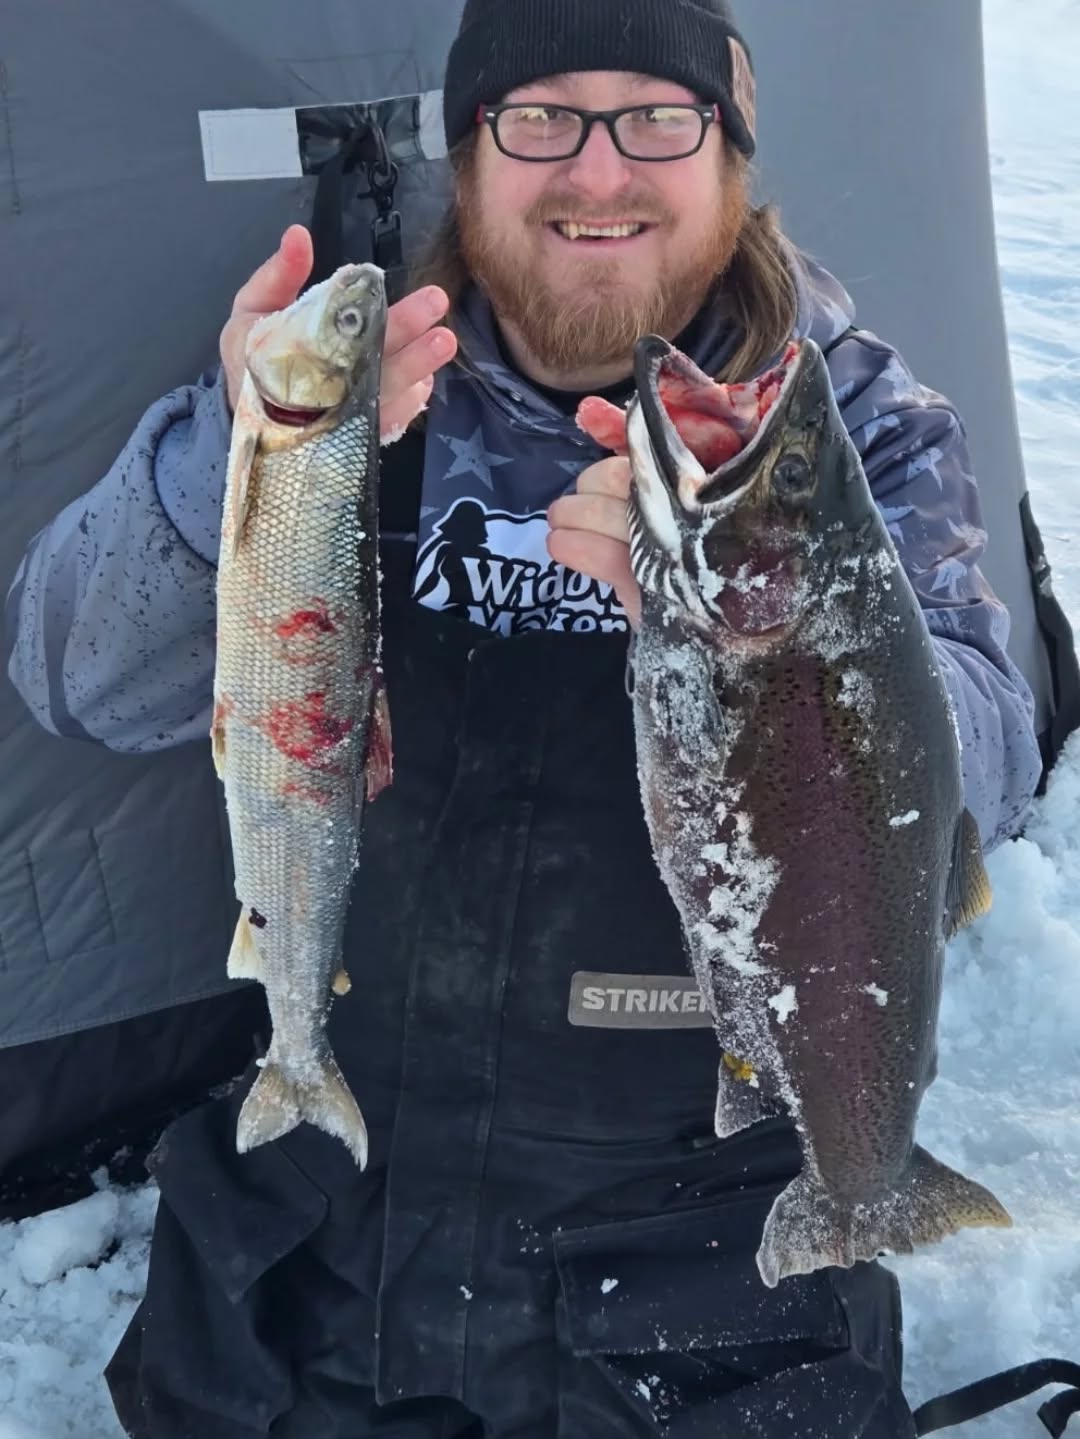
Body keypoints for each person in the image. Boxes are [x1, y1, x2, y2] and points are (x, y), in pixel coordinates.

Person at [6, 1, 1043, 1434]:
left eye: (658, 121)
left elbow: (976, 771)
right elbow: (75, 676)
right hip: (318, 1253)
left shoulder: (851, 429)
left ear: (730, 156)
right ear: (469, 155)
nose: (598, 173)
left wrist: (776, 633)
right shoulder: (353, 386)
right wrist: (222, 469)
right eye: (541, 118)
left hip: (695, 1265)